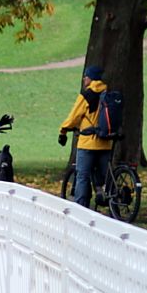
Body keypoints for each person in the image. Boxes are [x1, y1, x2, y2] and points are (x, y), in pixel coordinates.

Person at [58, 65, 114, 206]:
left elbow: (74, 116)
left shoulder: (86, 95)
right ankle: (111, 201)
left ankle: (81, 208)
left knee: (82, 176)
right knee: (105, 176)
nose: (84, 79)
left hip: (88, 143)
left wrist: (63, 131)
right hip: (106, 142)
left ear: (91, 78)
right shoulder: (109, 94)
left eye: (86, 77)